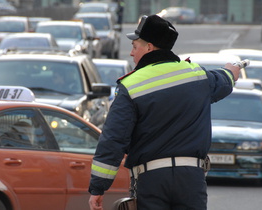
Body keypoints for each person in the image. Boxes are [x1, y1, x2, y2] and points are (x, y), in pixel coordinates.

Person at [88, 14, 241, 210]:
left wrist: (98, 188)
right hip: (191, 180)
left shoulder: (131, 86)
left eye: (134, 47)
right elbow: (224, 80)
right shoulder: (197, 75)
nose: (131, 53)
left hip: (152, 181)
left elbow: (113, 140)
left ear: (149, 47)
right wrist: (232, 70)